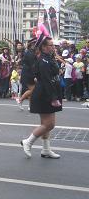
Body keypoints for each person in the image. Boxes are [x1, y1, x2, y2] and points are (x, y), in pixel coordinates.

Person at [21, 29, 62, 159]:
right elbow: (46, 81)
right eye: (51, 45)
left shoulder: (48, 58)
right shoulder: (43, 60)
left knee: (47, 124)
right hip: (45, 94)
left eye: (53, 45)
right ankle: (28, 141)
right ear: (43, 47)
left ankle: (46, 149)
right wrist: (53, 98)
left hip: (48, 92)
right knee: (49, 124)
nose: (53, 47)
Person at [16, 38, 37, 110]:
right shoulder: (30, 53)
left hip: (27, 72)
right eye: (34, 44)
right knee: (32, 90)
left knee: (31, 90)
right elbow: (32, 65)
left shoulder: (30, 52)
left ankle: (30, 106)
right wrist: (35, 75)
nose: (35, 45)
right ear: (31, 45)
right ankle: (20, 100)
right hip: (28, 73)